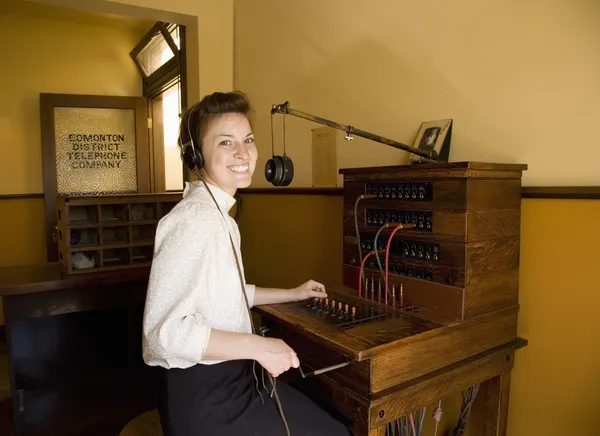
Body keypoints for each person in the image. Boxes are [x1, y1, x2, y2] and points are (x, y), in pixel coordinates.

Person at [142, 91, 351, 436]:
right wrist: (259, 346)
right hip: (210, 399)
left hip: (234, 379)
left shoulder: (218, 214)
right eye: (226, 142)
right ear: (197, 154)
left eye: (248, 140)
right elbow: (163, 335)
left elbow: (224, 293)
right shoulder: (194, 221)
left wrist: (291, 293)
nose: (243, 154)